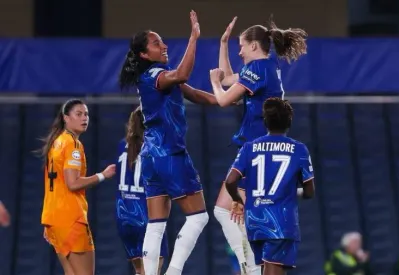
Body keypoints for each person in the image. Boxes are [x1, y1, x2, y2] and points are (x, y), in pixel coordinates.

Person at [118, 11, 217, 275]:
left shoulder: (157, 76)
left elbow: (194, 94)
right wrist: (194, 38)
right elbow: (183, 75)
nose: (163, 46)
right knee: (198, 217)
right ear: (143, 54)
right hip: (169, 153)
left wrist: (228, 97)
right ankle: (173, 271)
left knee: (156, 223)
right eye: (156, 43)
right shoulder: (154, 76)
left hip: (150, 156)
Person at [209, 17, 308, 275]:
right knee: (229, 211)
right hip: (260, 149)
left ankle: (251, 267)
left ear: (254, 46)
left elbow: (223, 97)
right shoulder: (268, 66)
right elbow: (231, 77)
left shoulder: (258, 69)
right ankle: (251, 265)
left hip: (254, 150)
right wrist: (223, 44)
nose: (239, 51)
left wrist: (214, 83)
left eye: (241, 46)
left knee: (227, 211)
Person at [224, 98, 315, 275]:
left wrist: (237, 200)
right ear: (289, 122)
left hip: (254, 219)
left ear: (265, 121)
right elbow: (310, 191)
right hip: (281, 221)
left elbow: (230, 181)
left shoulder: (249, 147)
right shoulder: (299, 149)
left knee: (270, 268)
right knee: (273, 269)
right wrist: (293, 192)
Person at [39, 99, 116, 275]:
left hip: (54, 218)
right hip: (71, 218)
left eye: (86, 114)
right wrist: (102, 175)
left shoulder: (56, 142)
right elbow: (72, 183)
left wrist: (52, 222)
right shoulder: (73, 145)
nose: (84, 118)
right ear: (66, 118)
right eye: (79, 114)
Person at [116, 106, 169, 275]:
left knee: (140, 271)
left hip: (123, 215)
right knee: (154, 270)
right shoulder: (155, 147)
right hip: (147, 214)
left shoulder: (122, 145)